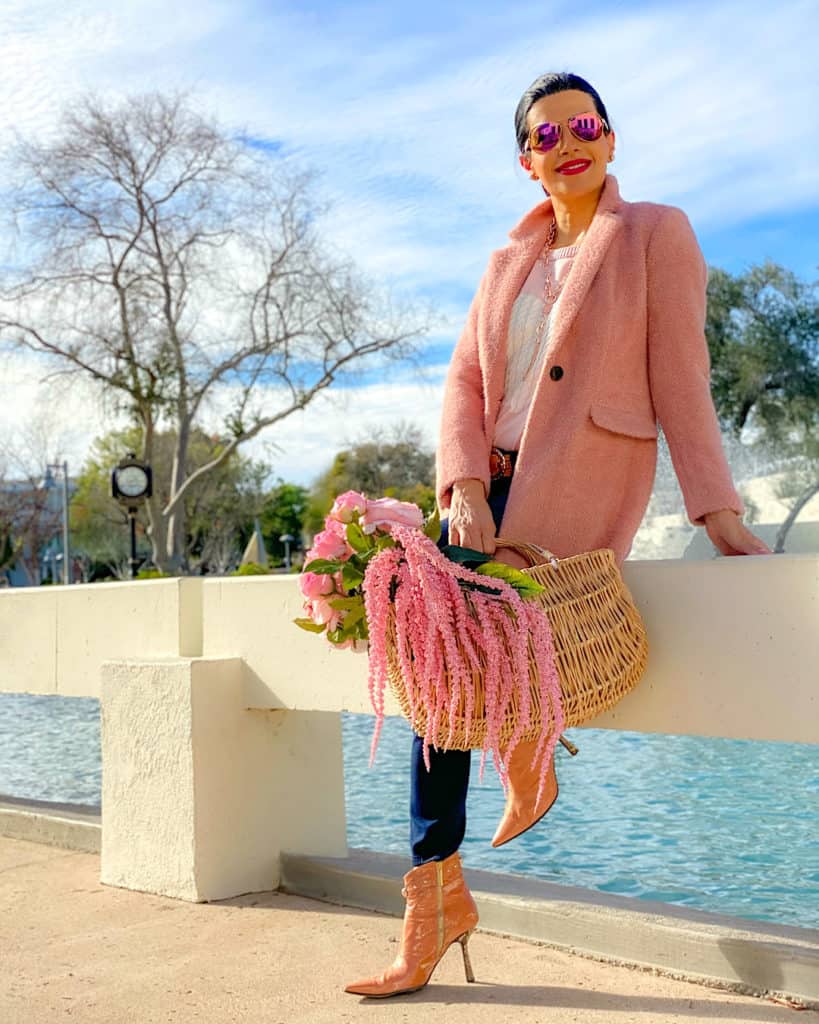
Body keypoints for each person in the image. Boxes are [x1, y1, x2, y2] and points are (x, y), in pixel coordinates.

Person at [344, 70, 772, 1000]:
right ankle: (434, 901)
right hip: (481, 495)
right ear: (524, 162)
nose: (567, 141)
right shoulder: (503, 265)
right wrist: (460, 482)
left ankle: (524, 746)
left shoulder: (656, 231)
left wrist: (717, 512)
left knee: (461, 669)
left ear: (610, 140)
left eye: (585, 125)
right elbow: (461, 381)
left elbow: (681, 377)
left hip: (578, 484)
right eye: (545, 135)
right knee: (428, 678)